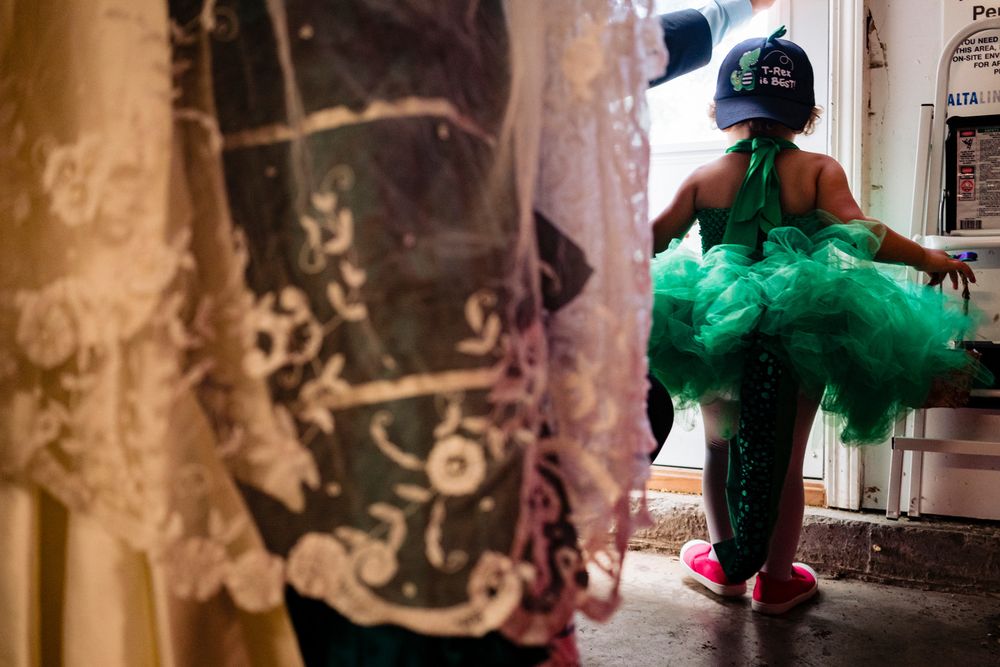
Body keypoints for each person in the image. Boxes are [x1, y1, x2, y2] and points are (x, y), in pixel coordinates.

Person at [647, 27, 988, 615]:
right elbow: (864, 235)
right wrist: (927, 257)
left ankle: (726, 563)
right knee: (782, 457)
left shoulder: (704, 178)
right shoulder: (817, 170)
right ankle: (777, 580)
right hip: (800, 332)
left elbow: (649, 238)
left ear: (721, 114)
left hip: (712, 327)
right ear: (805, 116)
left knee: (721, 447)